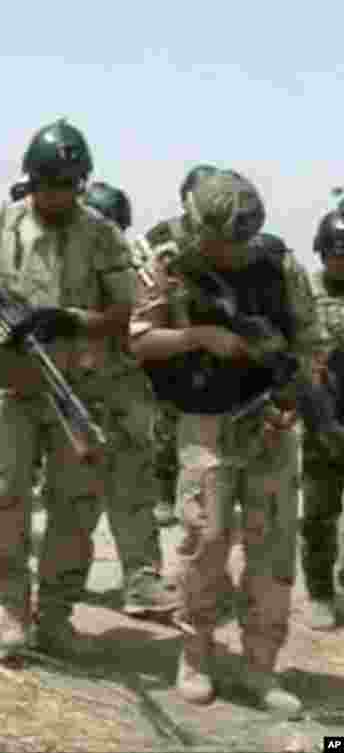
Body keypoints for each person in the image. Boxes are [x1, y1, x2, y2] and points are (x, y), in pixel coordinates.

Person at [0, 119, 137, 662]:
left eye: (68, 185)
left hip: (75, 393)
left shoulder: (103, 235)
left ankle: (57, 614)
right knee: (7, 500)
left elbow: (122, 314)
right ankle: (11, 610)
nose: (58, 195)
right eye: (48, 184)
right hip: (8, 388)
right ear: (32, 179)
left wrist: (68, 320)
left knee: (74, 507)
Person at [129, 169, 315, 716]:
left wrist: (291, 400)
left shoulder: (278, 261)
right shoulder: (163, 254)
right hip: (205, 423)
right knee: (203, 544)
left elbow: (311, 342)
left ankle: (260, 668)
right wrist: (200, 338)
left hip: (269, 425)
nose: (236, 254)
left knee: (273, 547)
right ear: (199, 228)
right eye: (225, 245)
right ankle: (196, 658)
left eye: (244, 244)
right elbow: (140, 340)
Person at [79, 181, 180, 618]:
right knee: (73, 495)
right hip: (77, 393)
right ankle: (58, 585)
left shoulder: (140, 268)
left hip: (126, 393)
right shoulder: (68, 262)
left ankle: (141, 581)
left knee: (134, 491)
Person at [135, 164, 220, 526]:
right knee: (165, 416)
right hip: (167, 334)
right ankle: (162, 491)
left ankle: (205, 492)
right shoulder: (162, 236)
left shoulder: (224, 235)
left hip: (208, 335)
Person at [300, 208, 344, 631]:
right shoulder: (305, 293)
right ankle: (319, 592)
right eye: (337, 255)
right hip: (321, 423)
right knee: (318, 514)